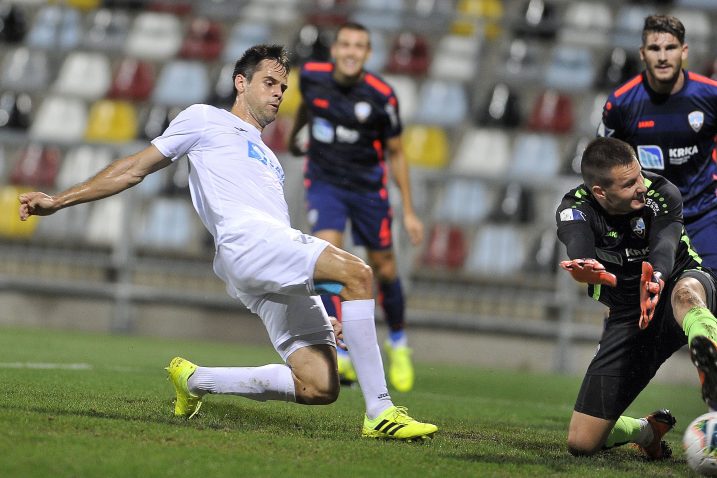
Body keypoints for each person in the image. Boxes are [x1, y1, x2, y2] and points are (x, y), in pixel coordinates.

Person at [18, 45, 437, 441]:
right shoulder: (204, 118)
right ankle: (380, 412)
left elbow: (286, 249)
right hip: (245, 242)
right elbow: (133, 168)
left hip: (261, 258)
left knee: (320, 385)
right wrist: (59, 200)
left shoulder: (270, 159)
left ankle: (195, 380)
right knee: (359, 274)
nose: (278, 94)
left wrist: (321, 296)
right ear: (241, 82)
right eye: (270, 83)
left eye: (283, 88)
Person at [556, 136, 717, 459]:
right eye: (629, 184)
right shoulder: (574, 209)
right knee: (582, 442)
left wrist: (657, 277)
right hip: (631, 317)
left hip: (675, 284)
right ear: (601, 192)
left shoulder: (662, 192)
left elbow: (665, 245)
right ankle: (649, 430)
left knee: (686, 295)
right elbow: (578, 243)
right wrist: (586, 267)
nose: (640, 186)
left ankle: (707, 345)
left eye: (639, 175)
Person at [288, 22, 423, 393]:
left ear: (367, 54)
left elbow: (396, 153)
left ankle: (398, 342)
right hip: (326, 182)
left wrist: (409, 211)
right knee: (328, 253)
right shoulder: (312, 77)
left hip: (367, 191)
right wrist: (295, 135)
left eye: (359, 46)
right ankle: (340, 348)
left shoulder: (382, 96)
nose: (350, 51)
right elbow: (307, 108)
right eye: (344, 44)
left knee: (384, 268)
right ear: (334, 50)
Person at [598, 14, 717, 272]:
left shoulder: (711, 96)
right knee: (638, 306)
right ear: (642, 53)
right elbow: (601, 165)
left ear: (684, 51)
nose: (662, 56)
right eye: (654, 48)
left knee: (708, 297)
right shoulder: (621, 104)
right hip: (647, 221)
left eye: (670, 47)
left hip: (704, 217)